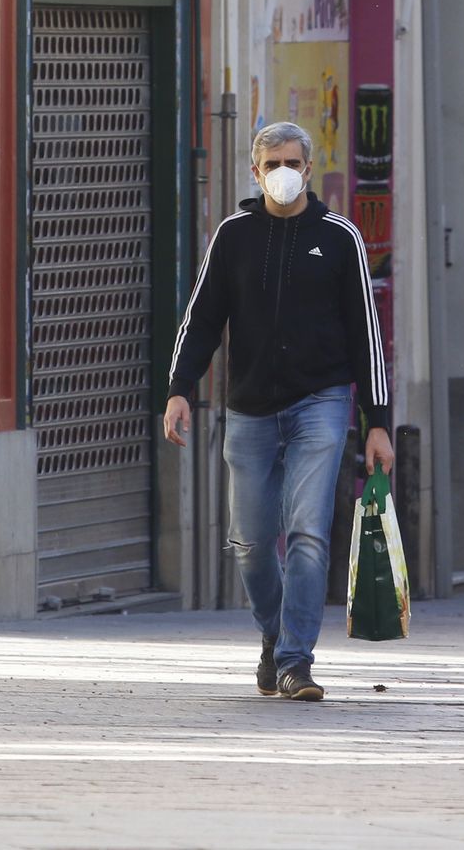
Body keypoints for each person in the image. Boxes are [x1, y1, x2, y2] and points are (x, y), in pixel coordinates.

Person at [165, 121, 394, 702]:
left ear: (309, 169)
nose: (283, 173)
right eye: (272, 165)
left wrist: (377, 423)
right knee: (249, 542)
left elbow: (367, 333)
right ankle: (274, 636)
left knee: (308, 532)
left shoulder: (340, 237)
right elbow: (202, 317)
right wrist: (179, 388)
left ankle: (295, 660)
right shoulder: (234, 235)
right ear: (255, 171)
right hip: (249, 408)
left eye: (293, 163)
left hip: (320, 401)